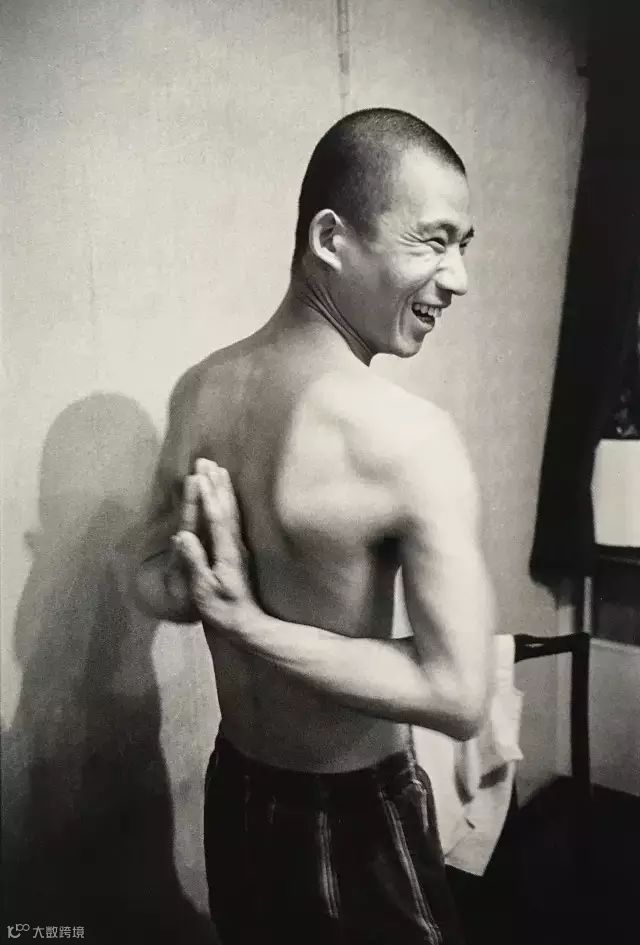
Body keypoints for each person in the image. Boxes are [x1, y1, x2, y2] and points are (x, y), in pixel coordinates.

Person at [132, 108, 495, 945]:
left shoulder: (199, 388)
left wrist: (214, 602)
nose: (459, 278)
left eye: (463, 245)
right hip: (353, 813)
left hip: (236, 790)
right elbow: (459, 694)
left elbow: (147, 580)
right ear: (331, 238)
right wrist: (234, 610)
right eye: (434, 241)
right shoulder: (412, 438)